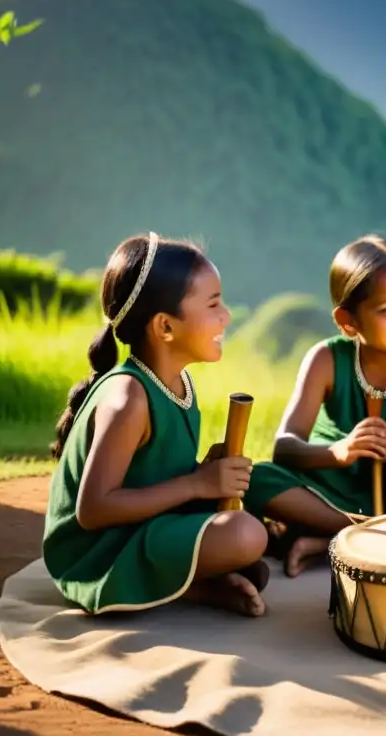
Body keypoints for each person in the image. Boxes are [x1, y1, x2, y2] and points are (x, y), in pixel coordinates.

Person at [43, 232, 270, 618]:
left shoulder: (177, 382)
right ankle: (187, 588)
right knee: (245, 536)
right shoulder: (128, 397)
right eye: (213, 304)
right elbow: (93, 510)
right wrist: (198, 483)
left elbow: (151, 474)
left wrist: (204, 471)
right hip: (99, 551)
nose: (226, 316)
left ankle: (187, 582)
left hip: (143, 524)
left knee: (257, 494)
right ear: (165, 327)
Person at [244, 235, 386, 577]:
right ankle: (368, 533)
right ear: (348, 321)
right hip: (327, 485)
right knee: (256, 478)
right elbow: (285, 447)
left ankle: (328, 538)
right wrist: (339, 452)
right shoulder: (326, 359)